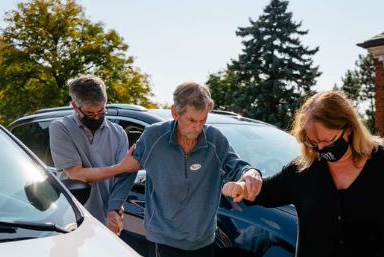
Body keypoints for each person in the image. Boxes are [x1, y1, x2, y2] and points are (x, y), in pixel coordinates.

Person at [222, 91, 384, 257]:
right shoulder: (303, 170)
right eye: (312, 142)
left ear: (348, 129)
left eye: (327, 141)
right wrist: (244, 186)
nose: (320, 149)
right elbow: (266, 192)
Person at [118, 82, 263, 257]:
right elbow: (127, 170)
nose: (198, 127)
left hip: (203, 241)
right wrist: (114, 207)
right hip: (163, 239)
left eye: (203, 120)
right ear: (174, 113)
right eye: (192, 120)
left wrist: (250, 174)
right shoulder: (154, 137)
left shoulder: (215, 139)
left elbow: (237, 167)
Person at [49, 75, 136, 235]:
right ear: (75, 106)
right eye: (90, 113)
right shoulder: (60, 128)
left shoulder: (118, 133)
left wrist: (114, 209)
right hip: (71, 221)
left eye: (101, 111)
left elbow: (123, 177)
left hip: (106, 221)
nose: (97, 117)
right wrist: (121, 167)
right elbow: (76, 173)